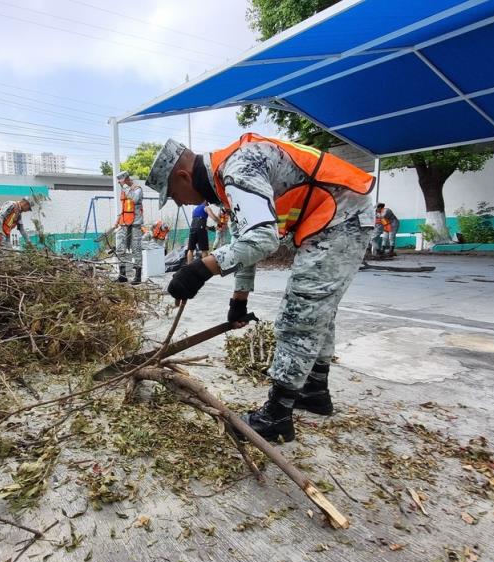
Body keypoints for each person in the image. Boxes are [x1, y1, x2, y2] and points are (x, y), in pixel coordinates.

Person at [146, 133, 375, 443]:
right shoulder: (226, 176)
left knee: (302, 310)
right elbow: (245, 238)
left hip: (341, 215)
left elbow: (261, 240)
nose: (178, 203)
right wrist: (239, 300)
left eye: (173, 195)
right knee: (319, 309)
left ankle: (277, 416)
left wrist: (200, 270)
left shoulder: (238, 169)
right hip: (333, 213)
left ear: (184, 176)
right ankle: (314, 390)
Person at [115, 170, 144, 284]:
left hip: (135, 224)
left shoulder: (137, 189)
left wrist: (126, 187)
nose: (121, 184)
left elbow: (135, 199)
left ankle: (138, 277)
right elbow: (124, 208)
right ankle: (122, 275)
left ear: (127, 179)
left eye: (121, 181)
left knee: (136, 249)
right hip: (124, 223)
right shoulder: (124, 190)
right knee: (120, 249)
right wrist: (118, 220)